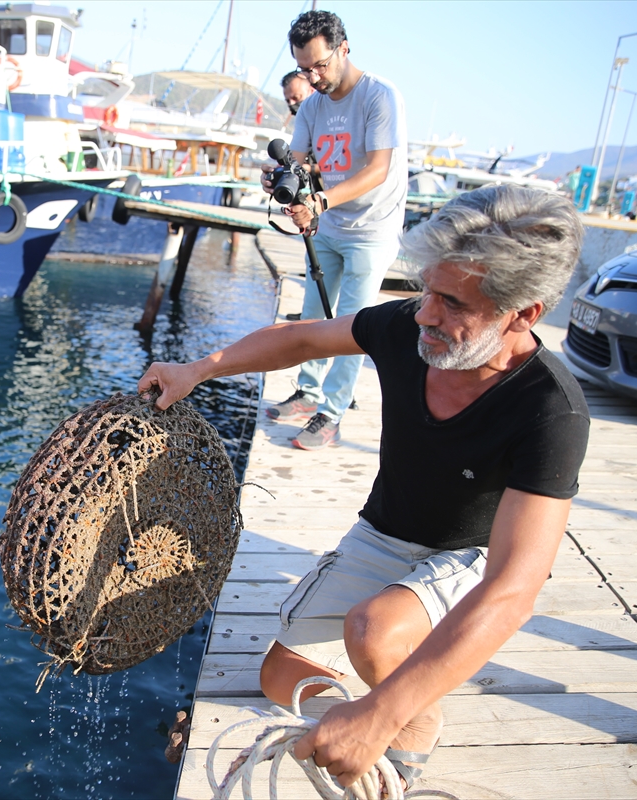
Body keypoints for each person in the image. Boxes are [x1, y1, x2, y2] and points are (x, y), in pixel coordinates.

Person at [138, 185, 589, 793]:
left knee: (373, 633)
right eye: (426, 288)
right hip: (386, 532)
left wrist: (380, 713)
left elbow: (513, 589)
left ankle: (413, 725)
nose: (425, 313)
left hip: (471, 555)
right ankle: (394, 680)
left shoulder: (550, 410)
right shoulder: (409, 326)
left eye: (452, 302)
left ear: (524, 313)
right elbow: (302, 338)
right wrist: (197, 369)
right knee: (282, 678)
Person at [262, 10, 408, 450]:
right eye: (305, 68)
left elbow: (379, 169)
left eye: (320, 65)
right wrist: (280, 178)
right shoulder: (311, 105)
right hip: (328, 224)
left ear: (344, 49)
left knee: (353, 324)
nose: (314, 76)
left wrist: (320, 200)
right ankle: (308, 393)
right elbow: (301, 160)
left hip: (373, 227)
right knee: (311, 314)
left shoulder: (380, 97)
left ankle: (333, 412)